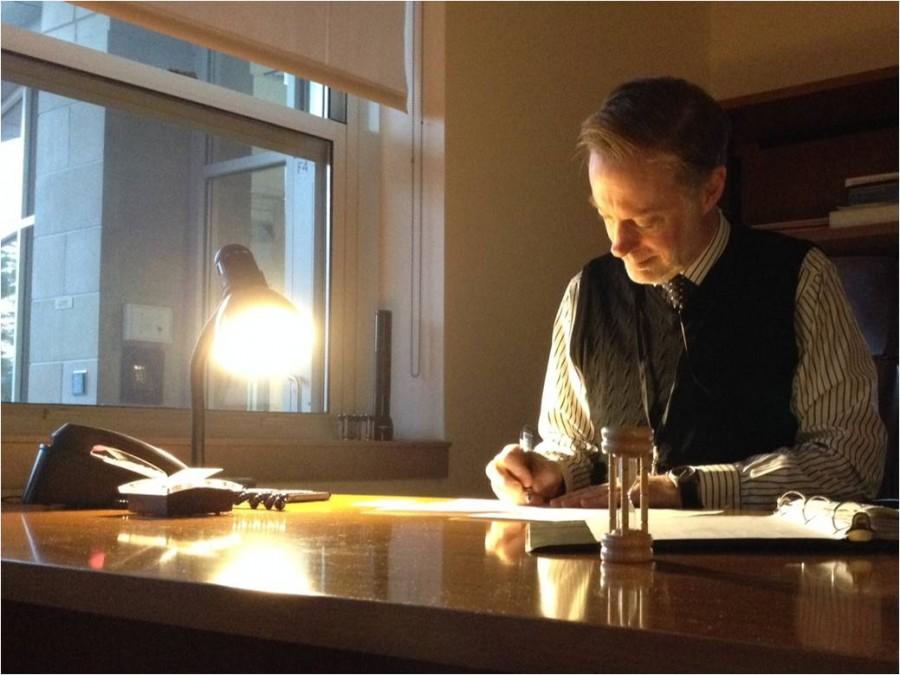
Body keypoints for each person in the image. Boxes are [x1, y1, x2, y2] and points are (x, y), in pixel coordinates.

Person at [485, 77, 886, 511]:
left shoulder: (801, 277)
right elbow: (573, 444)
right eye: (606, 214)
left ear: (711, 190)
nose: (618, 246)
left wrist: (690, 489)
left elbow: (849, 464)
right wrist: (550, 472)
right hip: (613, 564)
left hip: (764, 569)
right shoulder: (586, 292)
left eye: (646, 220)